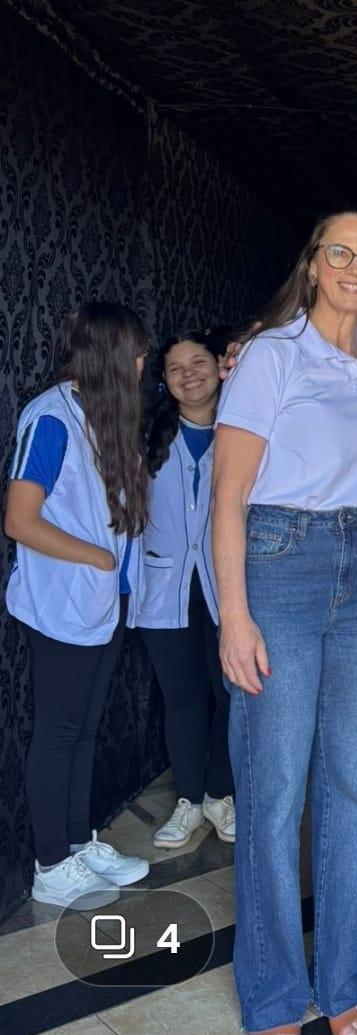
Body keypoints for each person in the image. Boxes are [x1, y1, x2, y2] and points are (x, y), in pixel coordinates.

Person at [213, 212, 357, 1035]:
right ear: (314, 266)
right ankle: (277, 995)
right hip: (278, 562)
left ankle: (344, 981)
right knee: (274, 791)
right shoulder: (271, 357)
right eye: (341, 253)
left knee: (353, 792)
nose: (356, 267)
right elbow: (227, 496)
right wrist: (234, 616)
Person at [5, 301, 151, 910]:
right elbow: (19, 520)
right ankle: (50, 864)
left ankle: (75, 841)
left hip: (105, 603)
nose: (146, 363)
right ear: (113, 357)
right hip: (65, 603)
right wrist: (94, 558)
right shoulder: (52, 418)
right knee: (60, 732)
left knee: (85, 731)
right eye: (139, 353)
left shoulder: (104, 417)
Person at [135, 329, 235, 849]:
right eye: (176, 368)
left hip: (229, 586)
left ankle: (221, 794)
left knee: (231, 695)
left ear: (222, 365)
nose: (188, 374)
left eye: (199, 361)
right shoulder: (148, 432)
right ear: (165, 380)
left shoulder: (245, 427)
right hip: (165, 586)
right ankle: (189, 801)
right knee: (182, 699)